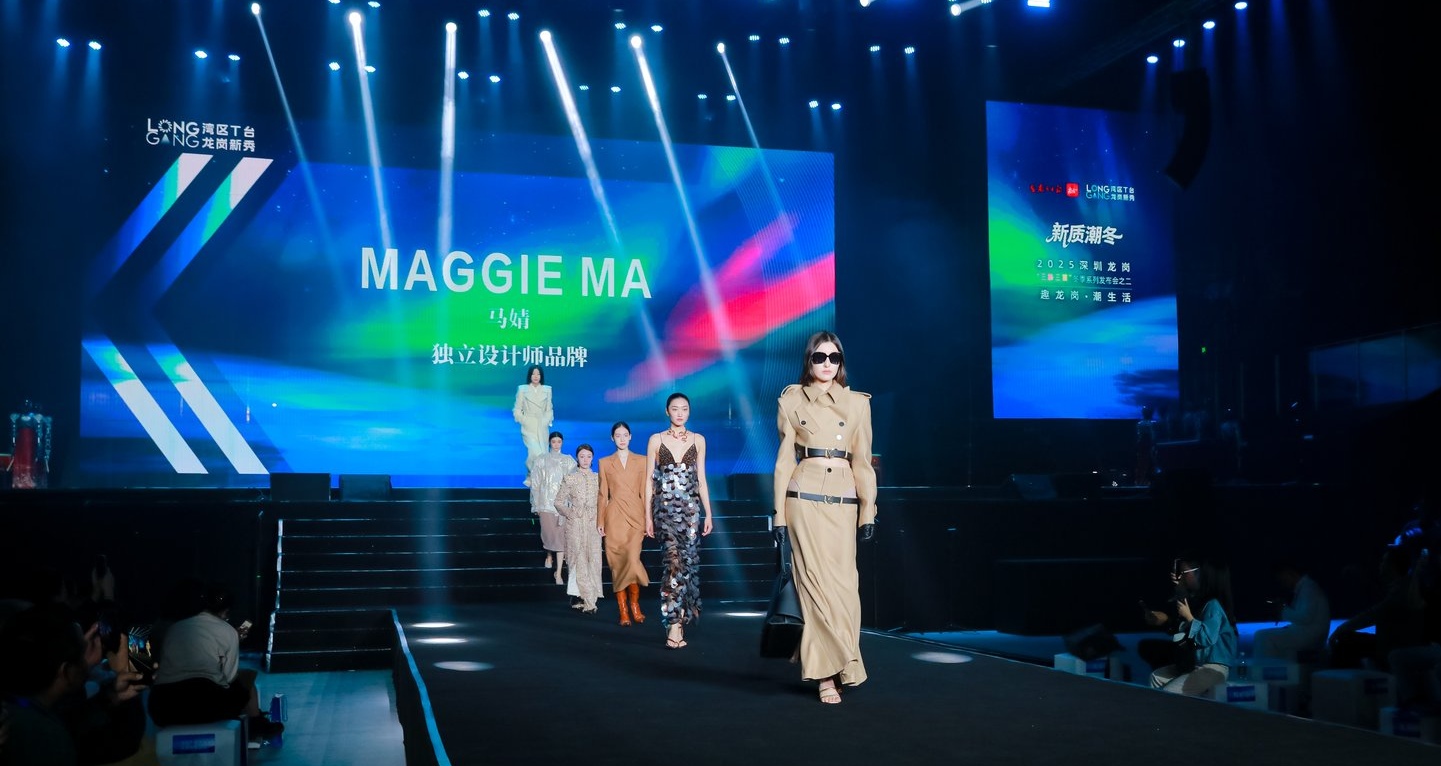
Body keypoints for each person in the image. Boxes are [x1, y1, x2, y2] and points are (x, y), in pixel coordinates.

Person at [772, 331, 877, 705]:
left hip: (844, 502)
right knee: (814, 587)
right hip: (804, 500)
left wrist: (869, 509)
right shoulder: (791, 400)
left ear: (841, 362)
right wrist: (779, 516)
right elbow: (784, 462)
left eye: (834, 357)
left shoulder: (858, 404)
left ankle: (843, 661)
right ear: (809, 361)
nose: (827, 364)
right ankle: (826, 675)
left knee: (845, 589)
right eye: (820, 357)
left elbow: (863, 462)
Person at [147, 583, 283, 742]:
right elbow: (228, 678)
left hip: (162, 706)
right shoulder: (228, 631)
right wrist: (233, 640)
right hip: (206, 704)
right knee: (245, 682)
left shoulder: (175, 628)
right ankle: (256, 725)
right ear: (226, 611)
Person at [643, 393, 714, 650]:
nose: (680, 413)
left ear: (689, 411)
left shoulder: (698, 440)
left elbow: (702, 480)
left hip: (691, 512)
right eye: (675, 409)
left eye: (684, 409)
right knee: (672, 564)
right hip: (664, 512)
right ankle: (673, 624)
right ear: (667, 411)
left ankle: (681, 616)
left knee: (688, 565)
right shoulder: (656, 440)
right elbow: (649, 482)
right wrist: (647, 516)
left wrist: (709, 513)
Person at [1148, 557, 1239, 696]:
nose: (1180, 576)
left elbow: (1207, 638)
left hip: (1213, 667)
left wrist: (1190, 618)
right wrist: (1180, 589)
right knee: (1156, 677)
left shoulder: (1213, 605)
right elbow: (1180, 623)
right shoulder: (1198, 601)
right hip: (1195, 663)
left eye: (1184, 573)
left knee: (1169, 694)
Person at [597, 422, 651, 626]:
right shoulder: (604, 462)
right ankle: (623, 610)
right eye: (618, 435)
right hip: (614, 517)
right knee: (617, 564)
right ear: (612, 438)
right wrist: (600, 520)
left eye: (625, 435)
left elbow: (646, 492)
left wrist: (648, 519)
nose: (622, 438)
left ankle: (634, 605)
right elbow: (603, 494)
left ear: (630, 437)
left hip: (636, 516)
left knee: (632, 559)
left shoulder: (642, 461)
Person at [554, 444, 603, 614]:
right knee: (579, 559)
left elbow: (605, 501)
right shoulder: (570, 478)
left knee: (594, 560)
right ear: (577, 458)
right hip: (575, 524)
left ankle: (586, 597)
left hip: (593, 523)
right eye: (582, 456)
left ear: (593, 458)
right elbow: (558, 502)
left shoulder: (598, 478)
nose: (585, 460)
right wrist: (571, 513)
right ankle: (588, 601)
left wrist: (602, 520)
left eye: (588, 456)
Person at [1252, 559, 1331, 661]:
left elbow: (1305, 617)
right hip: (1311, 634)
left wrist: (1282, 609)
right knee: (1268, 637)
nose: (1282, 583)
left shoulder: (1308, 588)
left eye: (1283, 579)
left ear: (1289, 573)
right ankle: (1279, 668)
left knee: (1261, 636)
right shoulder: (1307, 588)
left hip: (1310, 636)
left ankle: (1264, 669)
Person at [529, 431, 577, 584]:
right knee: (549, 534)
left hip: (561, 505)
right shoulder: (541, 460)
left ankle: (559, 573)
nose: (556, 444)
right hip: (545, 503)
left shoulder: (568, 461)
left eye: (559, 441)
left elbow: (573, 483)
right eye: (554, 441)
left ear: (562, 443)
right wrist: (536, 504)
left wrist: (571, 504)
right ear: (550, 442)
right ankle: (549, 555)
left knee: (561, 538)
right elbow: (535, 483)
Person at [513, 364, 554, 481]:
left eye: (538, 374)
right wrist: (523, 420)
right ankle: (531, 472)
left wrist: (546, 420)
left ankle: (535, 479)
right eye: (533, 374)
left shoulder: (547, 389)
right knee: (535, 452)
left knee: (543, 454)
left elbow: (549, 408)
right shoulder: (522, 389)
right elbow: (517, 408)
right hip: (528, 425)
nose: (536, 376)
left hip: (542, 425)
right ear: (529, 375)